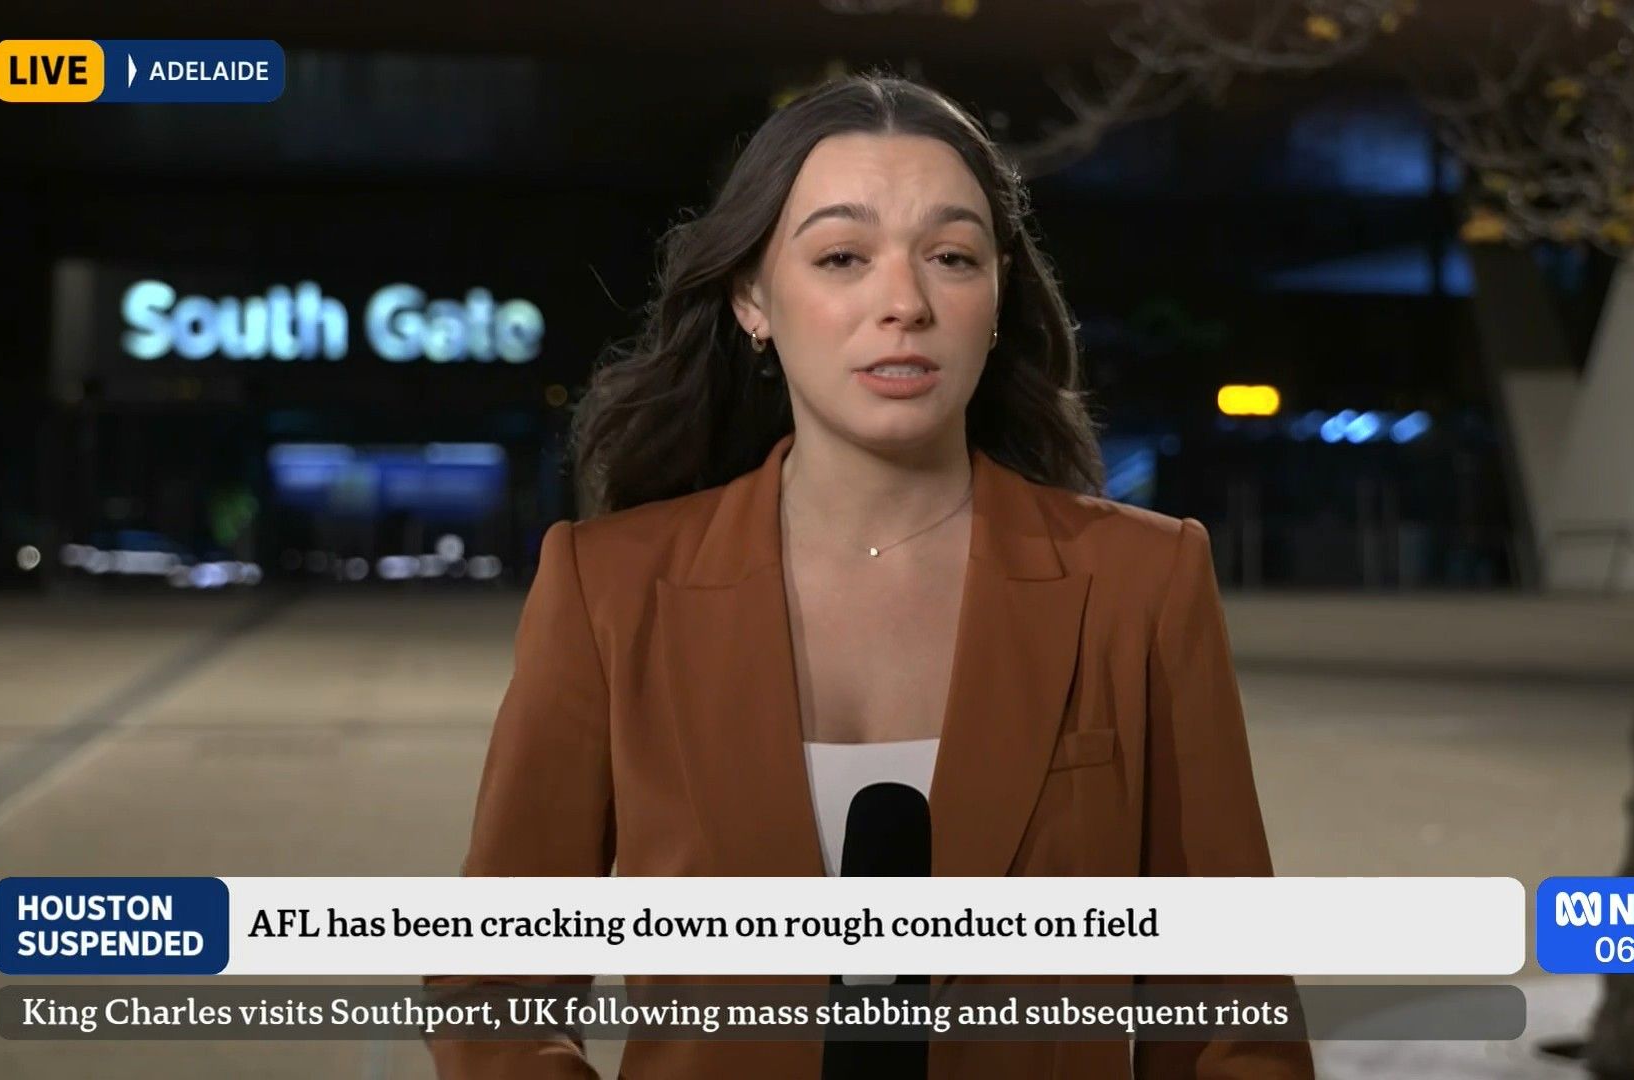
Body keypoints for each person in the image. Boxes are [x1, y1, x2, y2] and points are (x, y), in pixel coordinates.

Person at [426, 71, 1312, 1080]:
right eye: (842, 256)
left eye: (951, 257)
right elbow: (494, 992)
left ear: (998, 295)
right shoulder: (608, 589)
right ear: (753, 298)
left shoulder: (1142, 582)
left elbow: (1233, 1015)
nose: (904, 304)